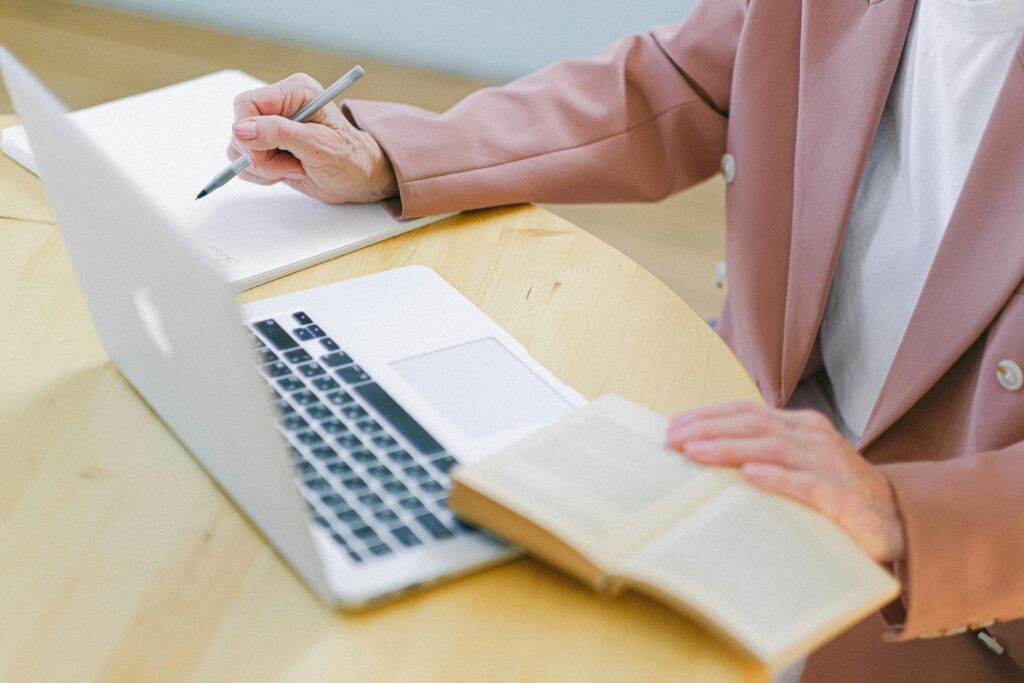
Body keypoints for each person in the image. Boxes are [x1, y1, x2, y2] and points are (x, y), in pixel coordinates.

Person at [225, 0, 1024, 679]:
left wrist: (903, 513)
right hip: (746, 441)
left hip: (958, 594)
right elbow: (682, 82)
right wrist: (393, 152)